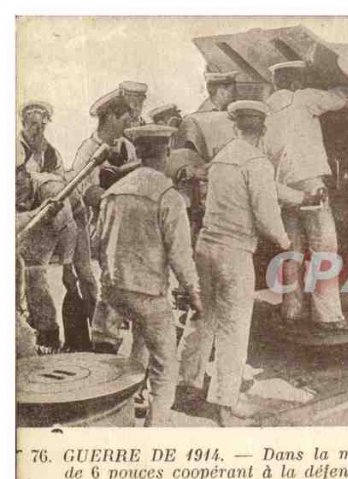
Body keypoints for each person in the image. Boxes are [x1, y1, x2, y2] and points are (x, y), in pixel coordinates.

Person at [177, 100, 290, 426]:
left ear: (235, 126)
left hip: (205, 248)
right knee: (234, 330)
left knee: (202, 319)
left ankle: (188, 386)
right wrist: (285, 241)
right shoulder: (258, 162)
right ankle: (224, 404)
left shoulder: (221, 159)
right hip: (234, 253)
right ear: (263, 130)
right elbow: (266, 214)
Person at [94, 124, 201, 427]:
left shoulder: (113, 192)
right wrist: (194, 293)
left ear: (138, 153)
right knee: (166, 367)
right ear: (166, 153)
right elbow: (180, 256)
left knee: (135, 351)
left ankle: (125, 412)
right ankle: (156, 429)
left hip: (114, 290)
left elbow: (97, 243)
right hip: (149, 294)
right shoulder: (168, 196)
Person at [263, 60, 348, 331]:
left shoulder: (265, 111)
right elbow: (343, 98)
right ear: (296, 82)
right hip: (308, 182)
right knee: (324, 246)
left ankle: (292, 310)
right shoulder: (304, 98)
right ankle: (328, 315)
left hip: (281, 187)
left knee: (292, 248)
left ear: (275, 83)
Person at [71, 89, 138, 353]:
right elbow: (87, 193)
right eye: (123, 118)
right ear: (109, 117)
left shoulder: (126, 146)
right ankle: (104, 343)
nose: (127, 124)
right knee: (111, 284)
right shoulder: (88, 150)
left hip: (129, 227)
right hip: (103, 229)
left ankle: (117, 335)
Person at [16, 140, 77, 353]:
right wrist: (34, 213)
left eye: (16, 181)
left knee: (35, 274)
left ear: (23, 173)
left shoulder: (50, 188)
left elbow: (69, 229)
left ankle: (48, 335)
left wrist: (68, 266)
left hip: (65, 222)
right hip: (32, 221)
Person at [172, 71, 238, 161]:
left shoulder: (233, 116)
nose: (236, 95)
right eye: (233, 91)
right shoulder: (193, 121)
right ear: (221, 92)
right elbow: (183, 157)